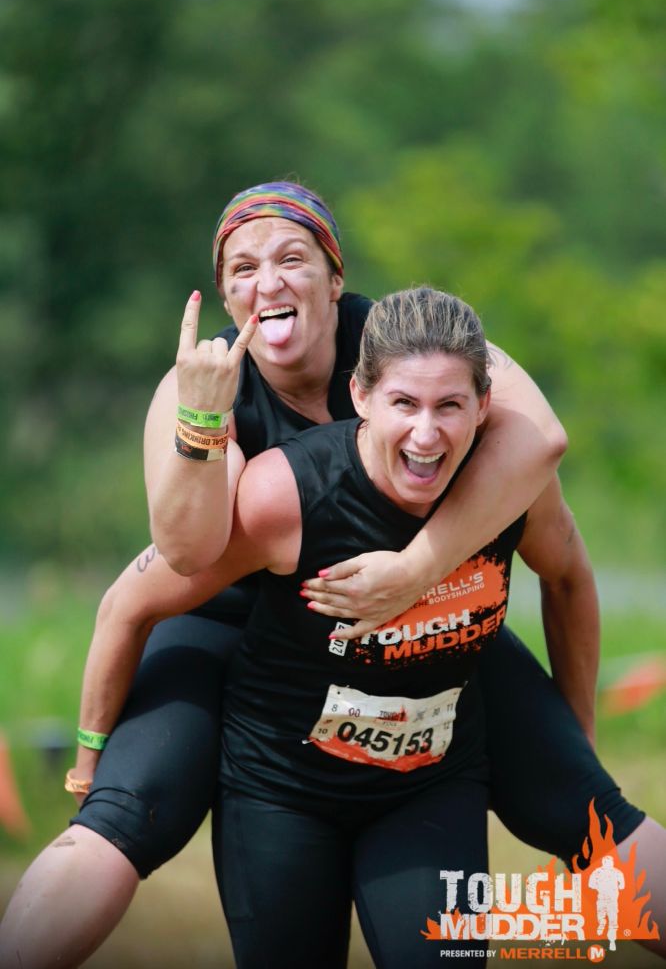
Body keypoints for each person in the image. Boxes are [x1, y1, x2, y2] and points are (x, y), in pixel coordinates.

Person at [0, 186, 661, 967]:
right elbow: (182, 553)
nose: (268, 282)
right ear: (223, 294)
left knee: (588, 807)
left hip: (411, 620)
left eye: (292, 259)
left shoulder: (411, 345)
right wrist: (201, 420)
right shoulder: (213, 395)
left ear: (335, 277)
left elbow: (540, 441)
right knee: (121, 817)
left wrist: (415, 570)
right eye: (243, 268)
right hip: (226, 617)